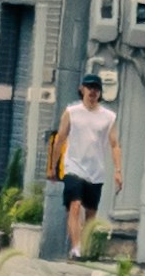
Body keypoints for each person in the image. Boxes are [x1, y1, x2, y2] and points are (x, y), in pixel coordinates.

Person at [51, 64, 124, 259]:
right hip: (73, 166)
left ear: (100, 93)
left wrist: (118, 170)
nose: (92, 92)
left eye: (96, 88)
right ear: (82, 89)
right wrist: (53, 166)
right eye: (89, 87)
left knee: (91, 214)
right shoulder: (72, 112)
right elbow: (60, 139)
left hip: (96, 171)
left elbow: (115, 144)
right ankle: (76, 248)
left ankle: (86, 246)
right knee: (74, 206)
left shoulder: (108, 117)